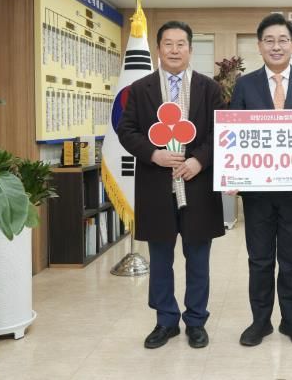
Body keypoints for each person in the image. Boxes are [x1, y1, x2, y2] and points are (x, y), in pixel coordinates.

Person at [117, 20, 225, 350]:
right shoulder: (140, 89)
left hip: (198, 186)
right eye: (168, 44)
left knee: (198, 260)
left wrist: (199, 161)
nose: (174, 50)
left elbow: (219, 132)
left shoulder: (209, 88)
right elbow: (127, 131)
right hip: (156, 186)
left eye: (181, 44)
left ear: (190, 49)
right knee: (161, 260)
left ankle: (196, 321)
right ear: (158, 49)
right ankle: (165, 321)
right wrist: (154, 154)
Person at [230, 13, 292, 346]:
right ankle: (260, 322)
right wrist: (232, 173)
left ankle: (290, 320)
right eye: (269, 40)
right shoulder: (245, 85)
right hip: (257, 192)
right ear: (259, 46)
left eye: (283, 40)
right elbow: (234, 134)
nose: (276, 46)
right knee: (259, 260)